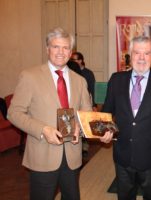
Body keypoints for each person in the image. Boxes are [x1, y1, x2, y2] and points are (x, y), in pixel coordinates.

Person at [7, 27, 92, 200]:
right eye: (55, 47)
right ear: (47, 49)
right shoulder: (30, 76)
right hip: (42, 155)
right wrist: (43, 129)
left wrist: (79, 129)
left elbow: (87, 114)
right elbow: (14, 113)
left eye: (66, 47)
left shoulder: (80, 81)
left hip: (72, 155)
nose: (61, 52)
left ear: (71, 51)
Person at [99, 35, 151, 200]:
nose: (141, 58)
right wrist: (104, 132)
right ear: (129, 55)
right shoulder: (116, 79)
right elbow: (107, 112)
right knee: (124, 196)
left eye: (146, 53)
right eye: (137, 53)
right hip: (123, 154)